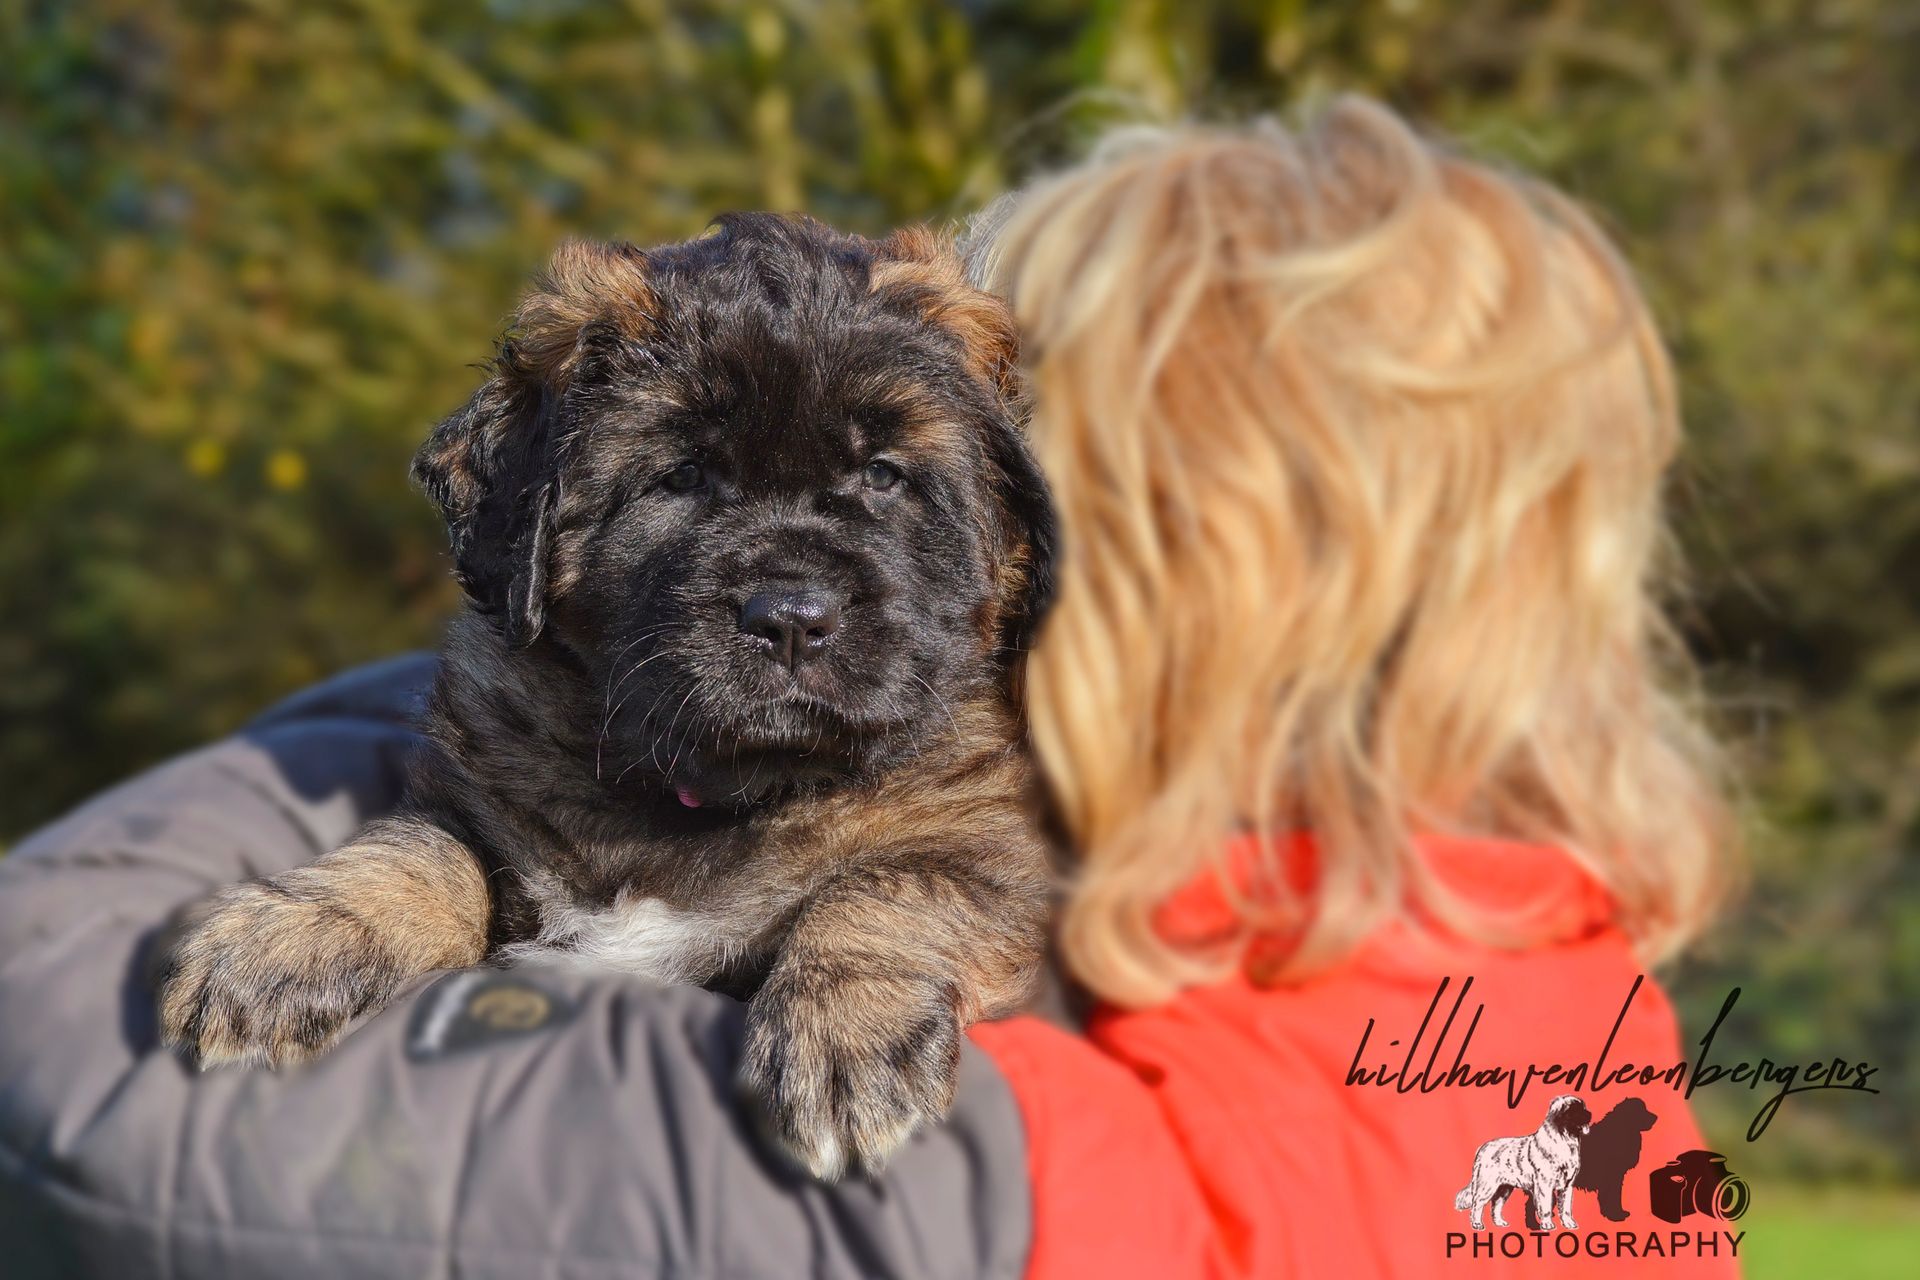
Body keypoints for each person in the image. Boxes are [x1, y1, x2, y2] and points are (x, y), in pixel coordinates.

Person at [0, 97, 1737, 1279]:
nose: (805, 569)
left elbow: (67, 1039)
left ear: (1108, 567)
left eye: (918, 487)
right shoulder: (1584, 1050)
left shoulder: (1005, 1166)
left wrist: (477, 688)